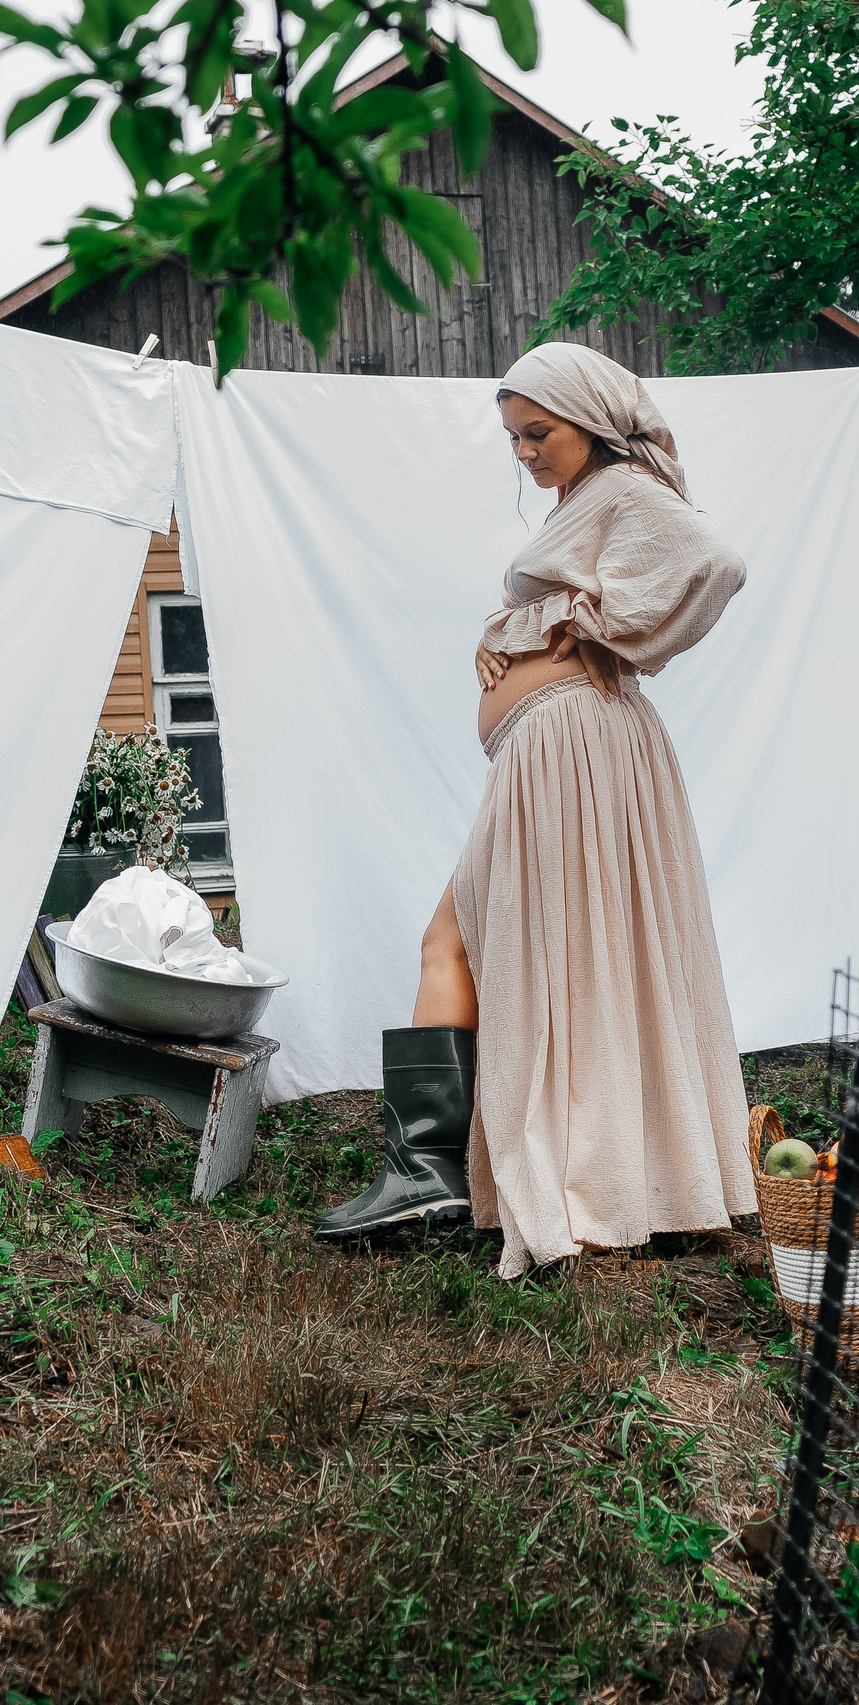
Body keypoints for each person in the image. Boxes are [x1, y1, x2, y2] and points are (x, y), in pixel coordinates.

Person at [316, 342, 758, 1275]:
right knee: (487, 939)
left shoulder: (628, 489)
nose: (523, 452)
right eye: (513, 437)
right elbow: (565, 590)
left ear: (590, 420)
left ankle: (441, 1171)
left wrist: (584, 623)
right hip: (553, 750)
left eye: (538, 432)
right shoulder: (583, 506)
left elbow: (714, 562)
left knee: (479, 938)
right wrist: (509, 630)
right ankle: (447, 1168)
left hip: (574, 746)